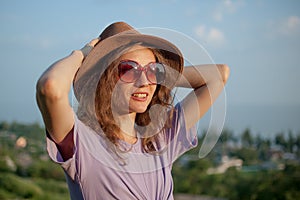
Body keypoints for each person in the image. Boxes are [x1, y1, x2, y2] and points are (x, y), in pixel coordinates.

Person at [36, 22, 230, 200]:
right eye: (129, 69)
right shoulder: (83, 145)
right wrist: (81, 54)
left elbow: (219, 75)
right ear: (104, 79)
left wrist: (159, 76)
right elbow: (50, 87)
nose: (144, 82)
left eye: (152, 70)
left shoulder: (159, 140)